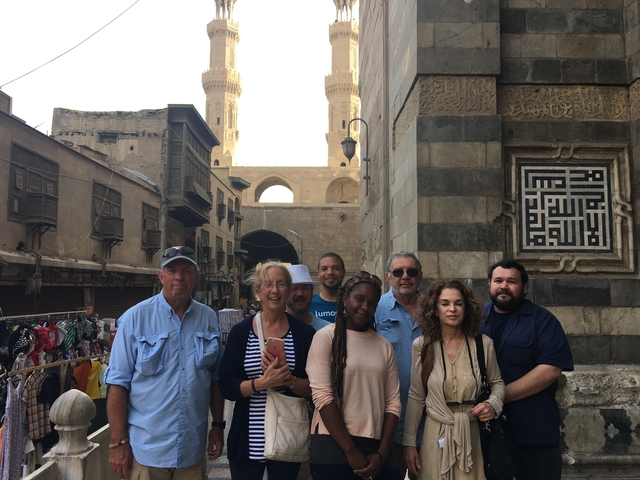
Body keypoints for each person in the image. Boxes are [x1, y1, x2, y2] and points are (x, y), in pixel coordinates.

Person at [105, 246, 225, 480]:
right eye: (171, 270)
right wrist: (117, 443)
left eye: (186, 270)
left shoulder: (208, 317)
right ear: (161, 276)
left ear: (196, 276)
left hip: (192, 451)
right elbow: (118, 383)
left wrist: (218, 426)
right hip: (146, 453)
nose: (179, 276)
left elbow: (215, 377)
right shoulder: (135, 318)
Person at [218, 261, 316, 480]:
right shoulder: (240, 333)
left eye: (281, 284)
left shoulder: (304, 334)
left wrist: (288, 379)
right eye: (268, 284)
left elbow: (315, 388)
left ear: (288, 291)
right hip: (247, 441)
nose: (274, 290)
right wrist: (261, 383)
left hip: (287, 436)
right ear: (258, 292)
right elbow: (225, 384)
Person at [480, 260, 573, 480]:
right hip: (486, 433)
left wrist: (498, 398)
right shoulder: (476, 317)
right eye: (498, 280)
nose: (504, 286)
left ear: (525, 287)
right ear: (489, 284)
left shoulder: (543, 321)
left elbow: (550, 370)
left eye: (511, 281)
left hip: (533, 433)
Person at [403, 280, 504, 480]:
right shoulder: (422, 346)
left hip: (473, 435)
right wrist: (409, 443)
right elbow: (416, 396)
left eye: (458, 303)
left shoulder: (483, 345)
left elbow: (497, 384)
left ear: (467, 308)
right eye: (445, 303)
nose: (452, 309)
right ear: (435, 308)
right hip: (435, 434)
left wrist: (493, 404)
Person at [306, 271, 402, 480]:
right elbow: (322, 397)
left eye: (372, 303)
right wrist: (351, 451)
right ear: (344, 298)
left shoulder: (383, 346)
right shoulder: (325, 338)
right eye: (359, 299)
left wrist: (382, 453)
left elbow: (393, 402)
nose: (365, 307)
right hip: (333, 445)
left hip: (377, 446)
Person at [375, 252, 424, 480]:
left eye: (411, 272)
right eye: (398, 272)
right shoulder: (374, 309)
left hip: (429, 420)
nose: (405, 277)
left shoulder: (434, 310)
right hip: (388, 422)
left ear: (420, 277)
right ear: (388, 277)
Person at [286, 264, 331, 332]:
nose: (300, 293)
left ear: (312, 292)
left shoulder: (327, 330)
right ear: (285, 292)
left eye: (305, 288)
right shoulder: (272, 329)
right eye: (294, 288)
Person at [309, 252, 346, 323]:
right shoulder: (309, 305)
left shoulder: (352, 304)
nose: (330, 272)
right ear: (318, 274)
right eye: (324, 268)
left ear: (344, 273)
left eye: (336, 268)